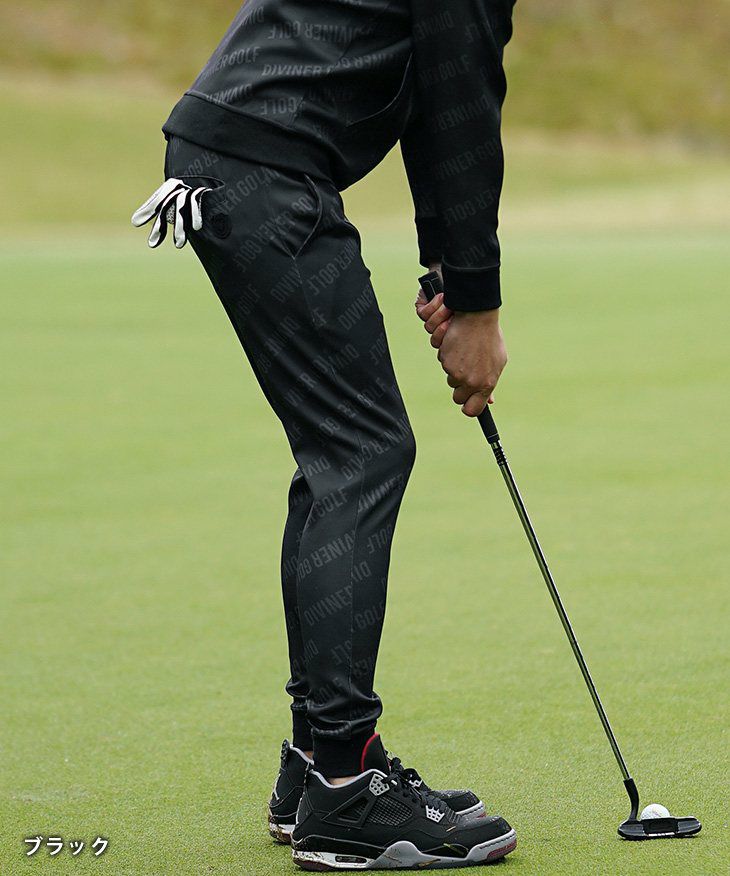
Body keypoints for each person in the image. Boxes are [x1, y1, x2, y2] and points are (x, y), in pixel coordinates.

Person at [133, 0, 516, 869]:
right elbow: (461, 98)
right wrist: (479, 304)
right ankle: (344, 787)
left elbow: (432, 98)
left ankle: (319, 764)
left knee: (339, 451)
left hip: (230, 151)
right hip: (264, 164)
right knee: (363, 452)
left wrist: (449, 271)